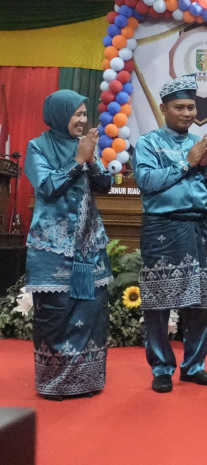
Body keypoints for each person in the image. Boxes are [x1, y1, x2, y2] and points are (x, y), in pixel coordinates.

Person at [134, 75, 207, 393]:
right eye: (180, 107)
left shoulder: (201, 143)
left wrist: (205, 166)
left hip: (198, 226)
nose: (187, 113)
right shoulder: (148, 142)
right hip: (162, 226)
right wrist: (187, 164)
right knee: (158, 303)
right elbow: (147, 182)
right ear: (164, 108)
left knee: (199, 301)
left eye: (191, 107)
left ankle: (194, 366)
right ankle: (161, 367)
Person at [24, 90, 112, 400]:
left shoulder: (84, 145)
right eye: (77, 114)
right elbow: (47, 188)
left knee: (90, 311)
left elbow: (105, 185)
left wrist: (92, 160)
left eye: (85, 114)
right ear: (60, 115)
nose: (83, 119)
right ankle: (54, 383)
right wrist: (77, 161)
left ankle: (86, 380)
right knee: (56, 314)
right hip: (53, 247)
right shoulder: (38, 146)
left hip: (88, 244)